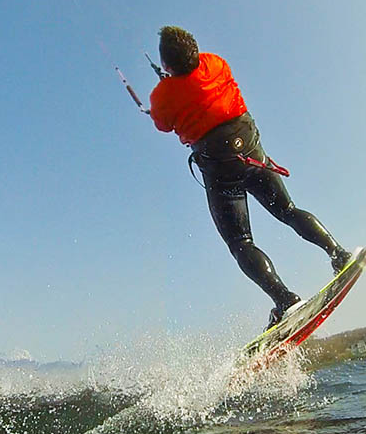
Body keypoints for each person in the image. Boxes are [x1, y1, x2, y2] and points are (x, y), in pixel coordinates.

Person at [148, 26, 352, 330]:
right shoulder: (216, 62)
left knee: (241, 242)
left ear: (166, 65)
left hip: (221, 170)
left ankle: (285, 300)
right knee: (288, 210)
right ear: (195, 51)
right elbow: (196, 89)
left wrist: (166, 84)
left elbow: (162, 123)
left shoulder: (162, 95)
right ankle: (339, 254)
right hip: (252, 152)